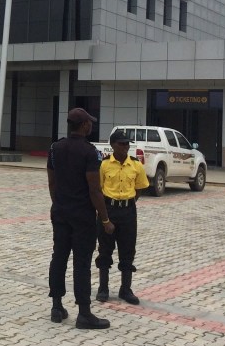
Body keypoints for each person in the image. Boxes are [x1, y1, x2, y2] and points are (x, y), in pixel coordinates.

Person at [47, 108, 115, 329]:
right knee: (82, 262)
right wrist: (105, 219)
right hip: (82, 216)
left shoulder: (55, 148)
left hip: (60, 212)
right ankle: (84, 313)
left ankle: (57, 307)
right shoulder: (90, 152)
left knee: (59, 257)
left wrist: (59, 204)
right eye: (90, 122)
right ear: (84, 125)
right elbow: (94, 189)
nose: (91, 125)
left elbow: (52, 182)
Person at [96, 130, 149, 305]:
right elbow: (98, 190)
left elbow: (139, 188)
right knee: (105, 250)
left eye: (127, 144)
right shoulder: (104, 165)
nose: (125, 147)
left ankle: (126, 289)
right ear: (112, 145)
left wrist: (128, 203)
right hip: (108, 210)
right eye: (121, 143)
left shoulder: (135, 165)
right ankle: (103, 288)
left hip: (128, 212)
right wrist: (105, 217)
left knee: (128, 251)